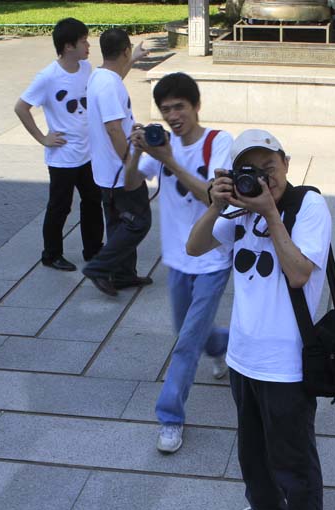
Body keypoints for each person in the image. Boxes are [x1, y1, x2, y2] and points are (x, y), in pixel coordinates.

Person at [186, 129, 332, 510]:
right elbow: (194, 246)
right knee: (251, 451)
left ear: (286, 162)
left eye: (270, 167)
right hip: (241, 355)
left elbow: (299, 273)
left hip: (287, 363)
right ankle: (268, 508)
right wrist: (216, 205)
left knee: (294, 461)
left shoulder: (308, 205)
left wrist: (270, 213)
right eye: (251, 172)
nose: (264, 179)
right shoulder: (240, 210)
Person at [126, 73, 233, 454]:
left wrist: (168, 159)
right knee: (188, 330)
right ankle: (226, 345)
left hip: (212, 259)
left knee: (186, 343)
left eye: (179, 107)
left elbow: (213, 198)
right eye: (165, 109)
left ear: (196, 105)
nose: (172, 116)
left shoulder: (218, 142)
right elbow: (129, 184)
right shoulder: (160, 146)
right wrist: (137, 151)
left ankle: (170, 418)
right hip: (176, 258)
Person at [14, 18, 103, 272]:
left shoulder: (86, 68)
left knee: (92, 201)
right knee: (60, 207)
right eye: (83, 41)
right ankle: (51, 255)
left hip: (87, 153)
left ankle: (93, 249)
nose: (88, 45)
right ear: (67, 46)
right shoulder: (48, 77)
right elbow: (21, 107)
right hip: (63, 157)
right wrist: (43, 138)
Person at [81, 28, 151, 296]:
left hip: (104, 170)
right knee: (138, 222)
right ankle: (99, 267)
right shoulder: (109, 85)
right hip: (120, 171)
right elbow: (113, 129)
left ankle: (122, 275)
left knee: (117, 222)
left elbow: (117, 75)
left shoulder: (99, 76)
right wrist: (130, 162)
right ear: (124, 50)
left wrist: (134, 58)